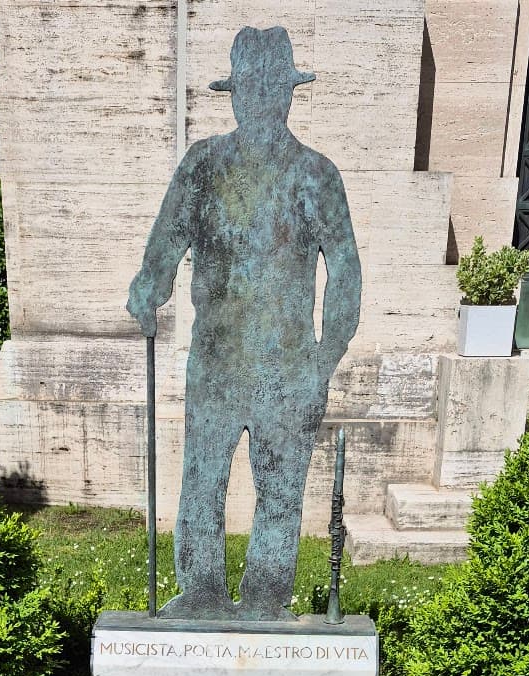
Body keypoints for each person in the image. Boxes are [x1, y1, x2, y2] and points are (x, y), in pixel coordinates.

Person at [126, 26, 362, 620]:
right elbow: (168, 237)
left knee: (280, 492)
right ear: (235, 95)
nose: (257, 101)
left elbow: (346, 273)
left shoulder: (315, 174)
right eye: (248, 91)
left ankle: (265, 597)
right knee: (202, 481)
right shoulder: (203, 163)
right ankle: (202, 589)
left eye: (267, 90)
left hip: (288, 367)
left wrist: (323, 361)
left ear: (285, 95)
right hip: (216, 362)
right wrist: (148, 288)